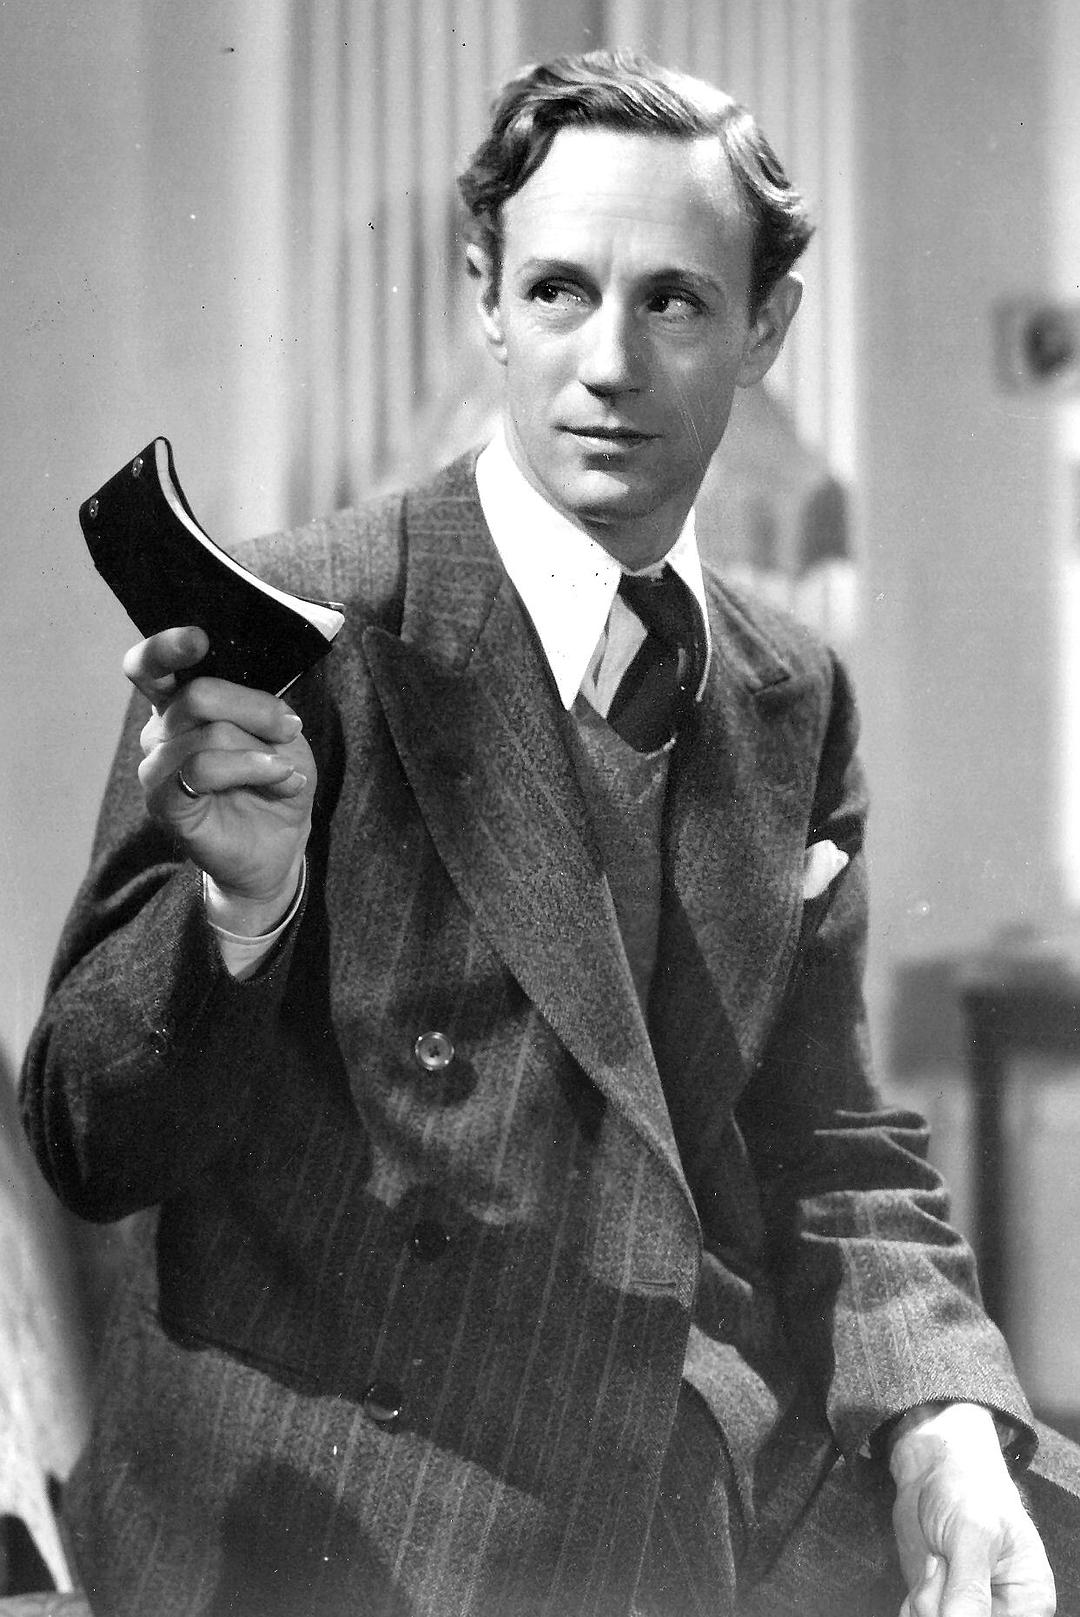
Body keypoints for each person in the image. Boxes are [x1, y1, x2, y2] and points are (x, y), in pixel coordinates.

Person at [19, 47, 1080, 1617]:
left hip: (691, 1468)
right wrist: (236, 920)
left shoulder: (788, 689)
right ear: (488, 302)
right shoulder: (297, 621)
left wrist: (944, 1422)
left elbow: (830, 1138)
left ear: (765, 329)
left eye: (675, 301)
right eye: (562, 290)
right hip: (353, 1517)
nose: (610, 363)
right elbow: (88, 1142)